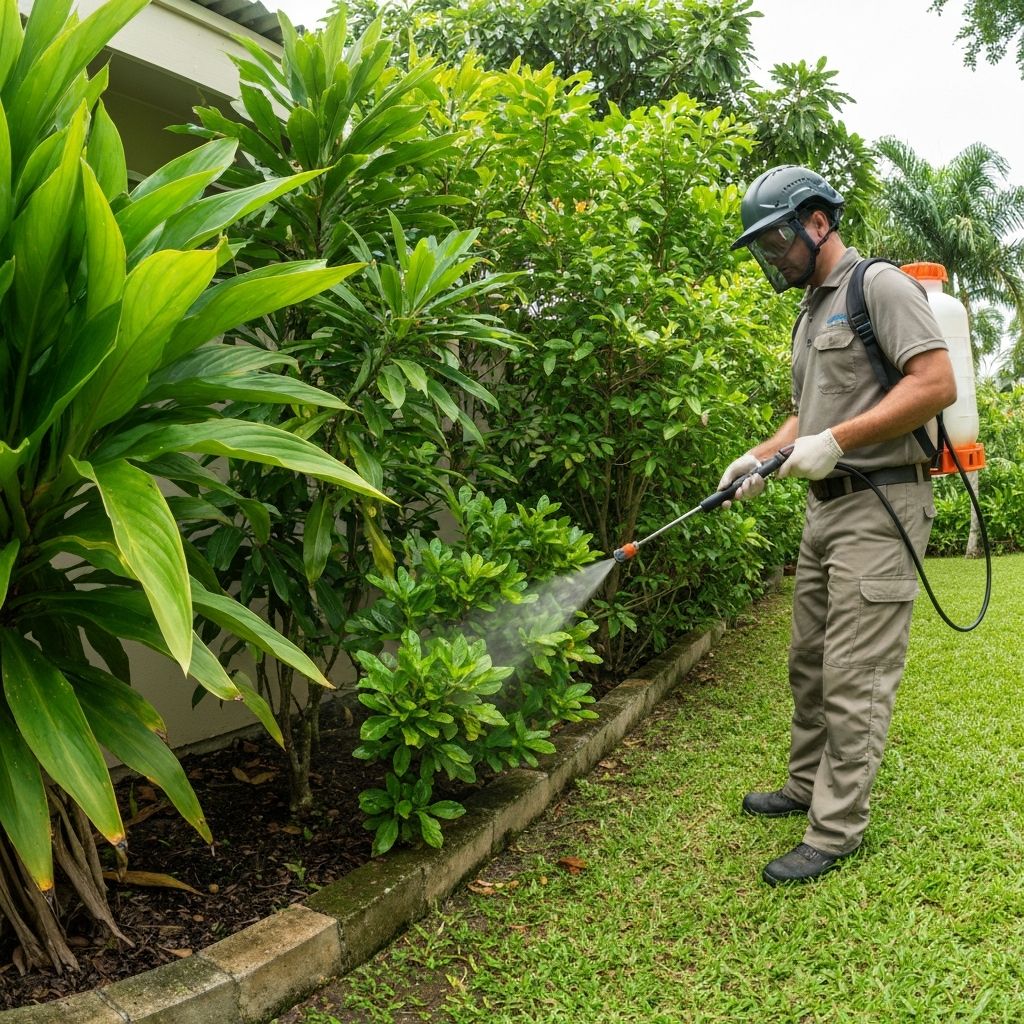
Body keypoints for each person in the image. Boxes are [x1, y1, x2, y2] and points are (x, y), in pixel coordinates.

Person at [721, 165, 956, 885]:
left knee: (854, 674)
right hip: (826, 508)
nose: (772, 257)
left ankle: (836, 828)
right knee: (810, 661)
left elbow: (934, 383)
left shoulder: (876, 286)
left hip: (881, 505)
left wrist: (836, 445)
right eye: (761, 247)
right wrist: (757, 459)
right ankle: (803, 784)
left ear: (816, 221)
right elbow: (808, 419)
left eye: (777, 241)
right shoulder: (809, 310)